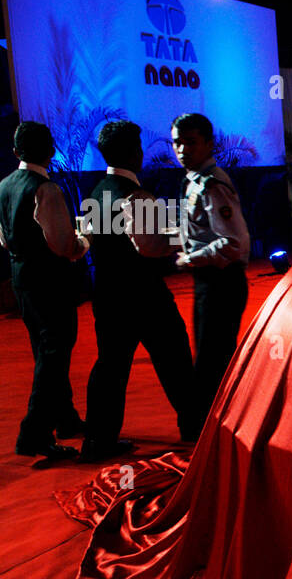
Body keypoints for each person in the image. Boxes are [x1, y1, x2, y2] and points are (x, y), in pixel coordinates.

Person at [80, 120, 199, 461]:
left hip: (106, 294)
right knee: (174, 358)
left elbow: (91, 238)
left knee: (110, 368)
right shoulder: (137, 195)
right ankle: (194, 426)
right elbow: (150, 247)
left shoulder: (96, 191)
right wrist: (182, 240)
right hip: (145, 295)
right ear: (136, 152)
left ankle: (97, 441)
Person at [0, 121, 87, 459]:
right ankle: (33, 434)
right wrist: (84, 241)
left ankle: (66, 420)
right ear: (51, 150)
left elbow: (5, 239)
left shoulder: (2, 188)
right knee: (54, 354)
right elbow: (62, 245)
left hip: (21, 280)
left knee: (45, 351)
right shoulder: (46, 189)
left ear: (16, 152)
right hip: (51, 281)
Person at [166, 113, 250, 423]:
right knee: (211, 359)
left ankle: (213, 433)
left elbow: (233, 243)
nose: (182, 150)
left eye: (191, 142)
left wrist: (191, 258)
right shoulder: (195, 182)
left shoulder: (212, 185)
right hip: (209, 283)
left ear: (209, 144)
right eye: (177, 143)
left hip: (221, 283)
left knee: (212, 365)